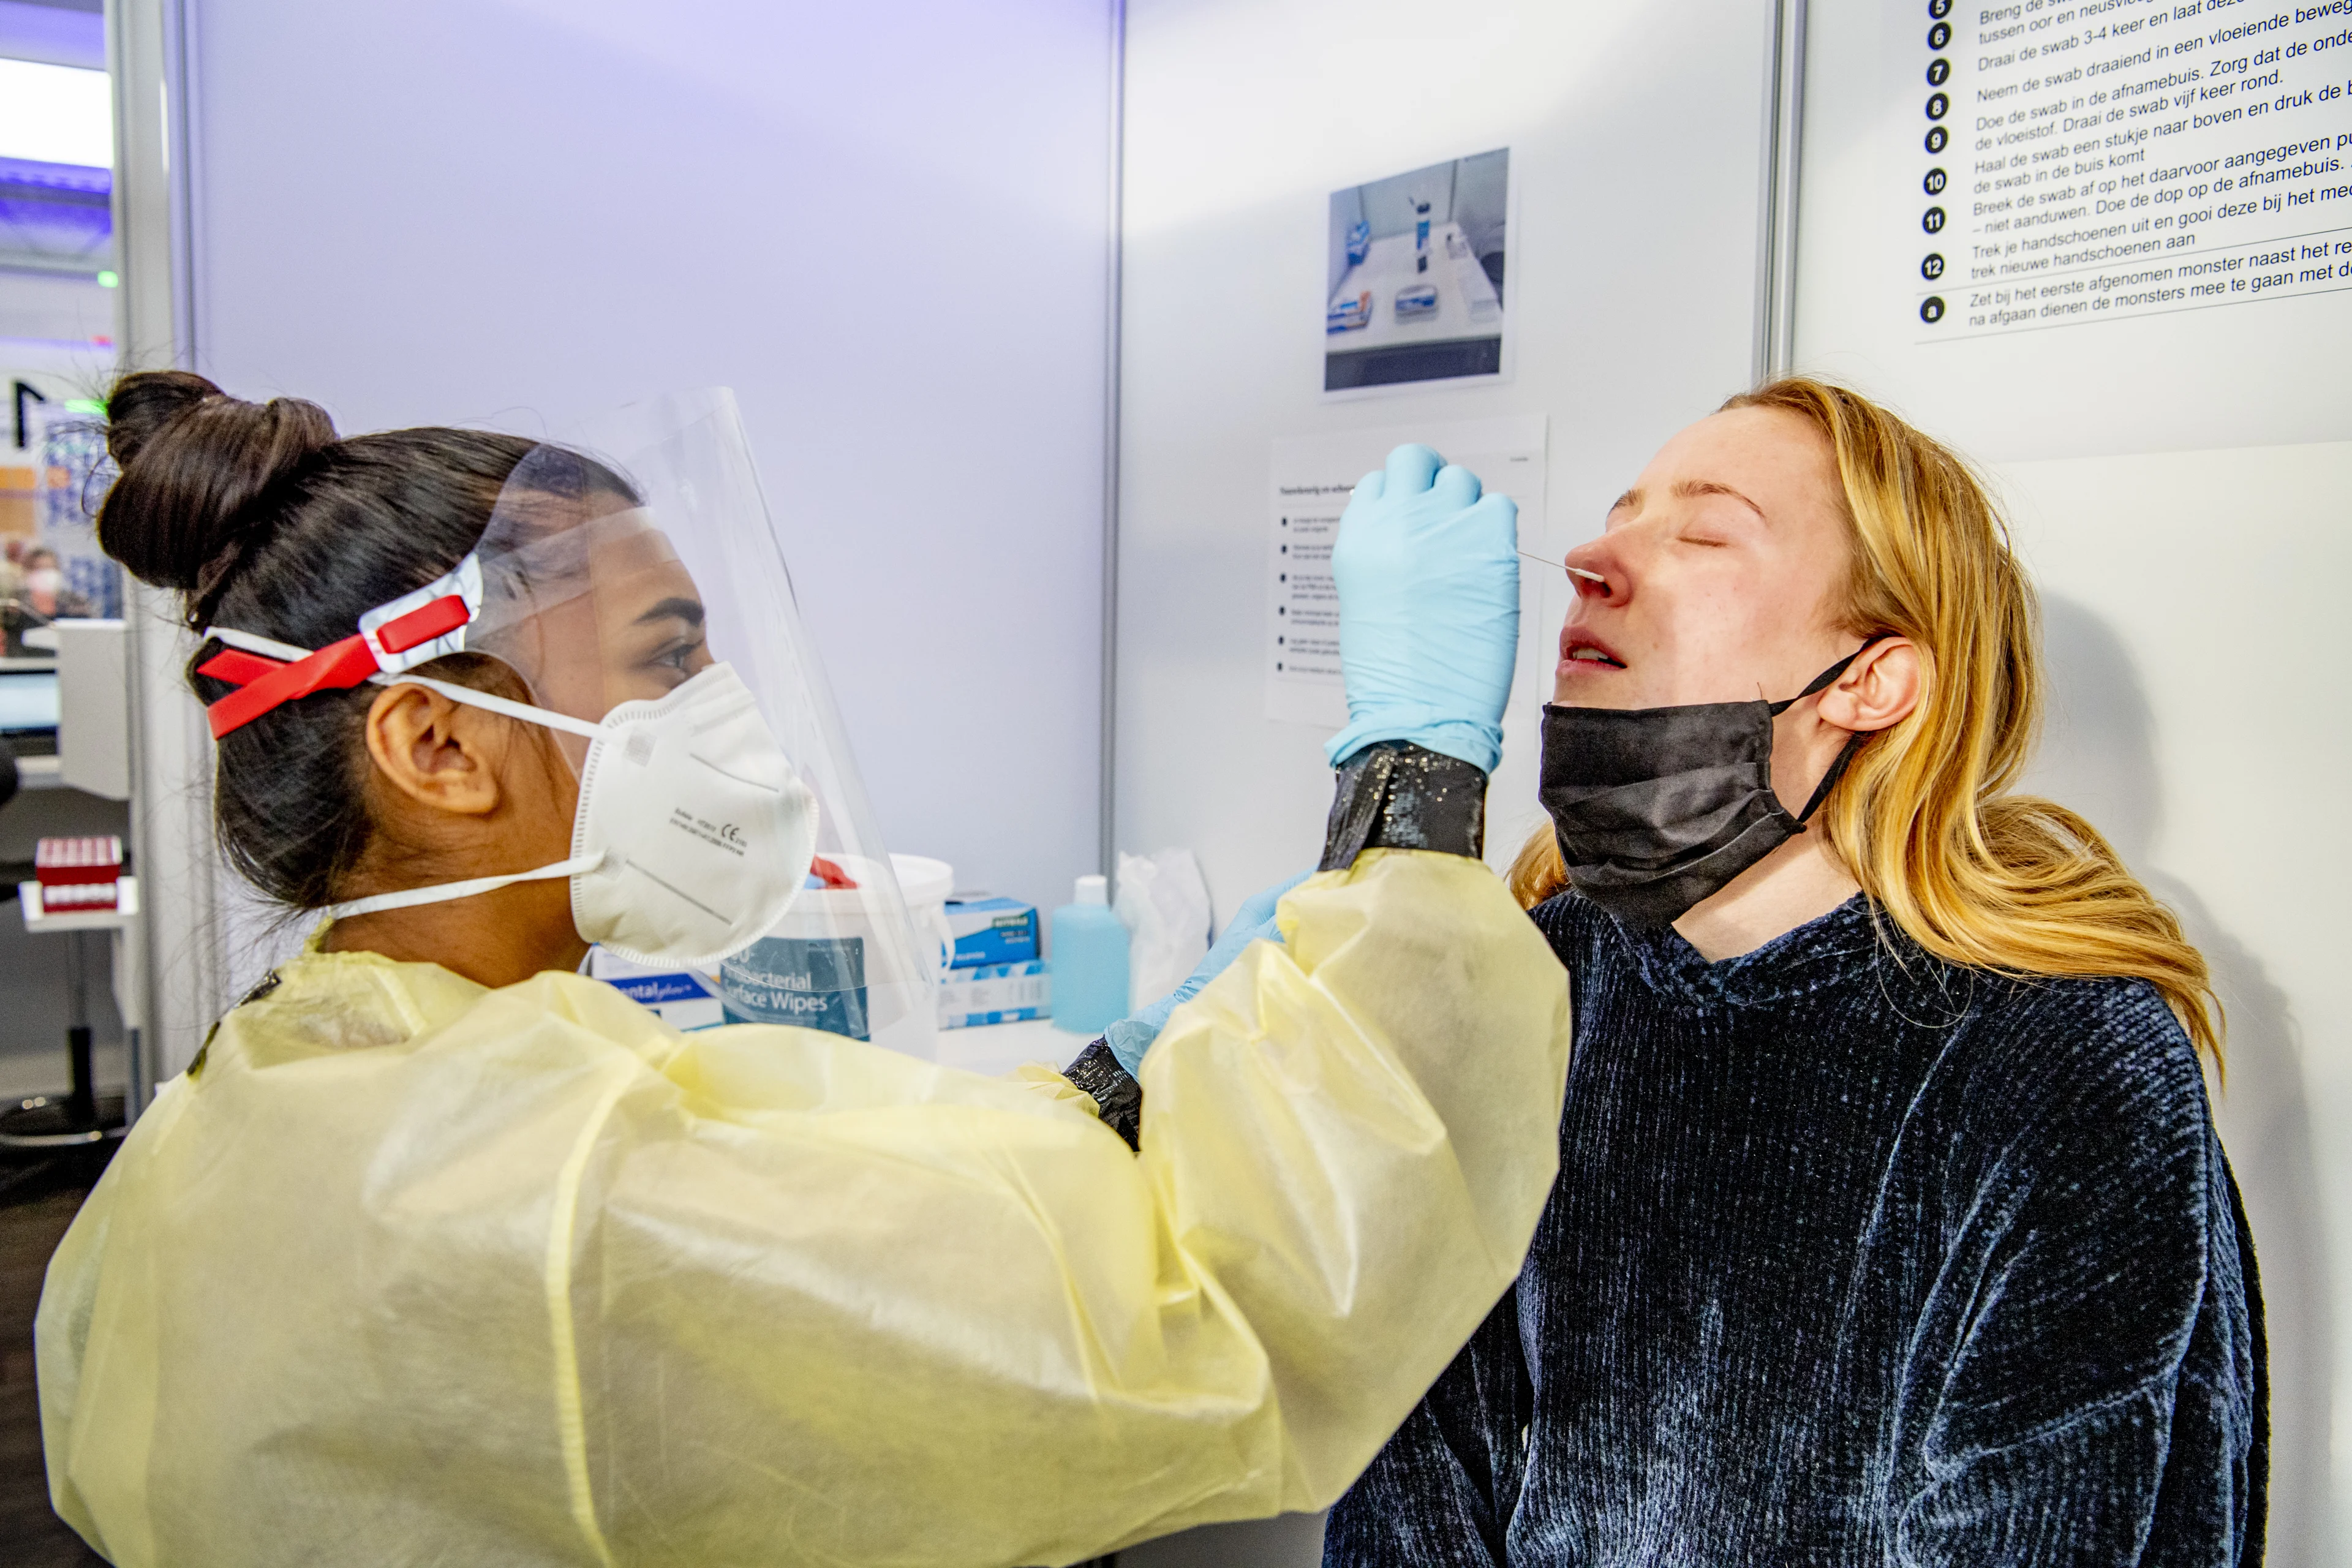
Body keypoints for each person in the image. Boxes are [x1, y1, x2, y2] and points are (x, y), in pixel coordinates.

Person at [37, 372, 1570, 1567]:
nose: (722, 709)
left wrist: (1115, 1081)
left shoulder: (283, 1085)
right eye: (667, 656)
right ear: (437, 743)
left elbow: (833, 1186)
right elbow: (1236, 1311)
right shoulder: (553, 1199)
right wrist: (1413, 784)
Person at [1325, 379, 2264, 1565]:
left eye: (1705, 534)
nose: (1592, 562)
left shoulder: (2060, 1060)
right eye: (1620, 519)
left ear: (1870, 680)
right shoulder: (1539, 978)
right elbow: (1409, 1479)